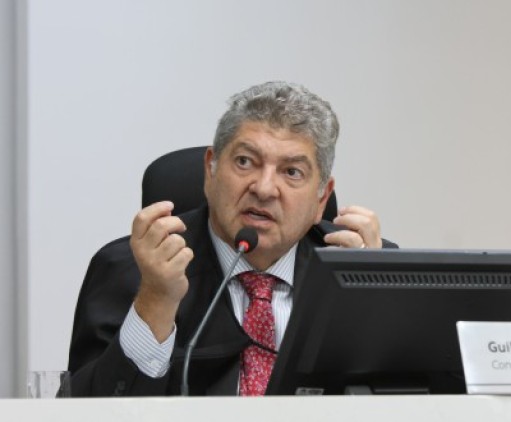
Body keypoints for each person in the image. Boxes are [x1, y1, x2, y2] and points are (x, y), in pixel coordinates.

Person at [67, 81, 396, 396]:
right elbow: (89, 413)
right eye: (245, 162)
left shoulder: (368, 269)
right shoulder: (130, 269)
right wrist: (155, 300)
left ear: (322, 198)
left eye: (292, 172)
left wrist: (369, 304)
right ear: (210, 170)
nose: (264, 189)